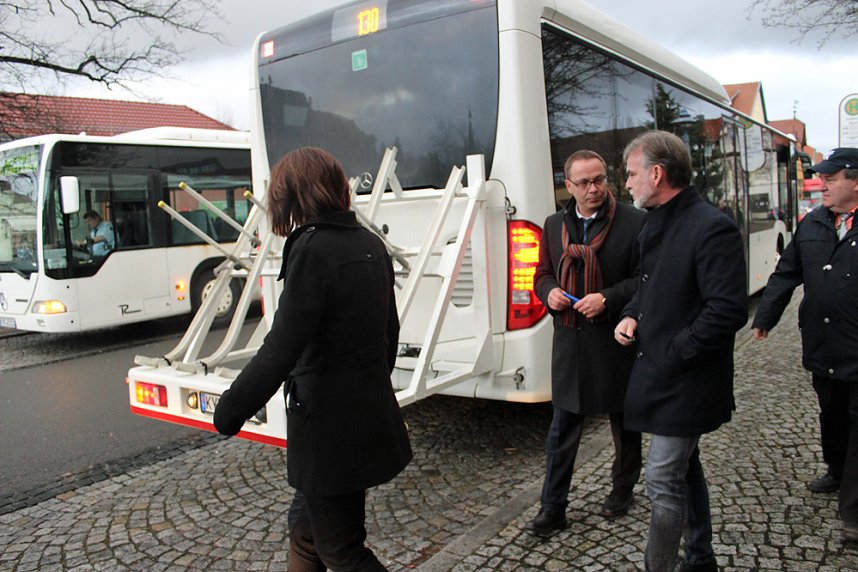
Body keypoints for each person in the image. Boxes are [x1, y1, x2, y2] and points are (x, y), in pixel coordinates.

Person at [213, 147, 412, 571]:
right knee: (305, 534)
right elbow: (389, 336)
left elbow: (280, 347)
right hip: (361, 417)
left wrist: (229, 410)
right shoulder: (369, 242)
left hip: (328, 430)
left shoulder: (312, 250)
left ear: (291, 194)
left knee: (341, 549)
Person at [614, 131, 747, 572]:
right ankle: (701, 557)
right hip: (660, 374)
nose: (626, 184)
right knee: (684, 471)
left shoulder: (711, 226)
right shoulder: (652, 222)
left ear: (657, 173)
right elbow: (648, 286)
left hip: (688, 378)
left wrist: (674, 351)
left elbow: (727, 311)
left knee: (662, 479)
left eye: (631, 174)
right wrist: (632, 313)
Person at [525, 150, 645, 537]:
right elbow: (541, 273)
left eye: (599, 180)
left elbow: (644, 279)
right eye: (584, 183)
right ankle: (553, 507)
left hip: (615, 341)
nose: (593, 189)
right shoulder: (553, 224)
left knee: (625, 425)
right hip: (570, 343)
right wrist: (550, 293)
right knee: (561, 431)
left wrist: (607, 298)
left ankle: (623, 488)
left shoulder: (634, 221)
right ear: (568, 186)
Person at [751, 147, 858, 545]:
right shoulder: (813, 222)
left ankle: (854, 512)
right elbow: (786, 273)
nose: (822, 184)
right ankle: (835, 468)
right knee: (832, 413)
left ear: (856, 180)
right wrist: (765, 317)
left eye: (831, 179)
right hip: (823, 344)